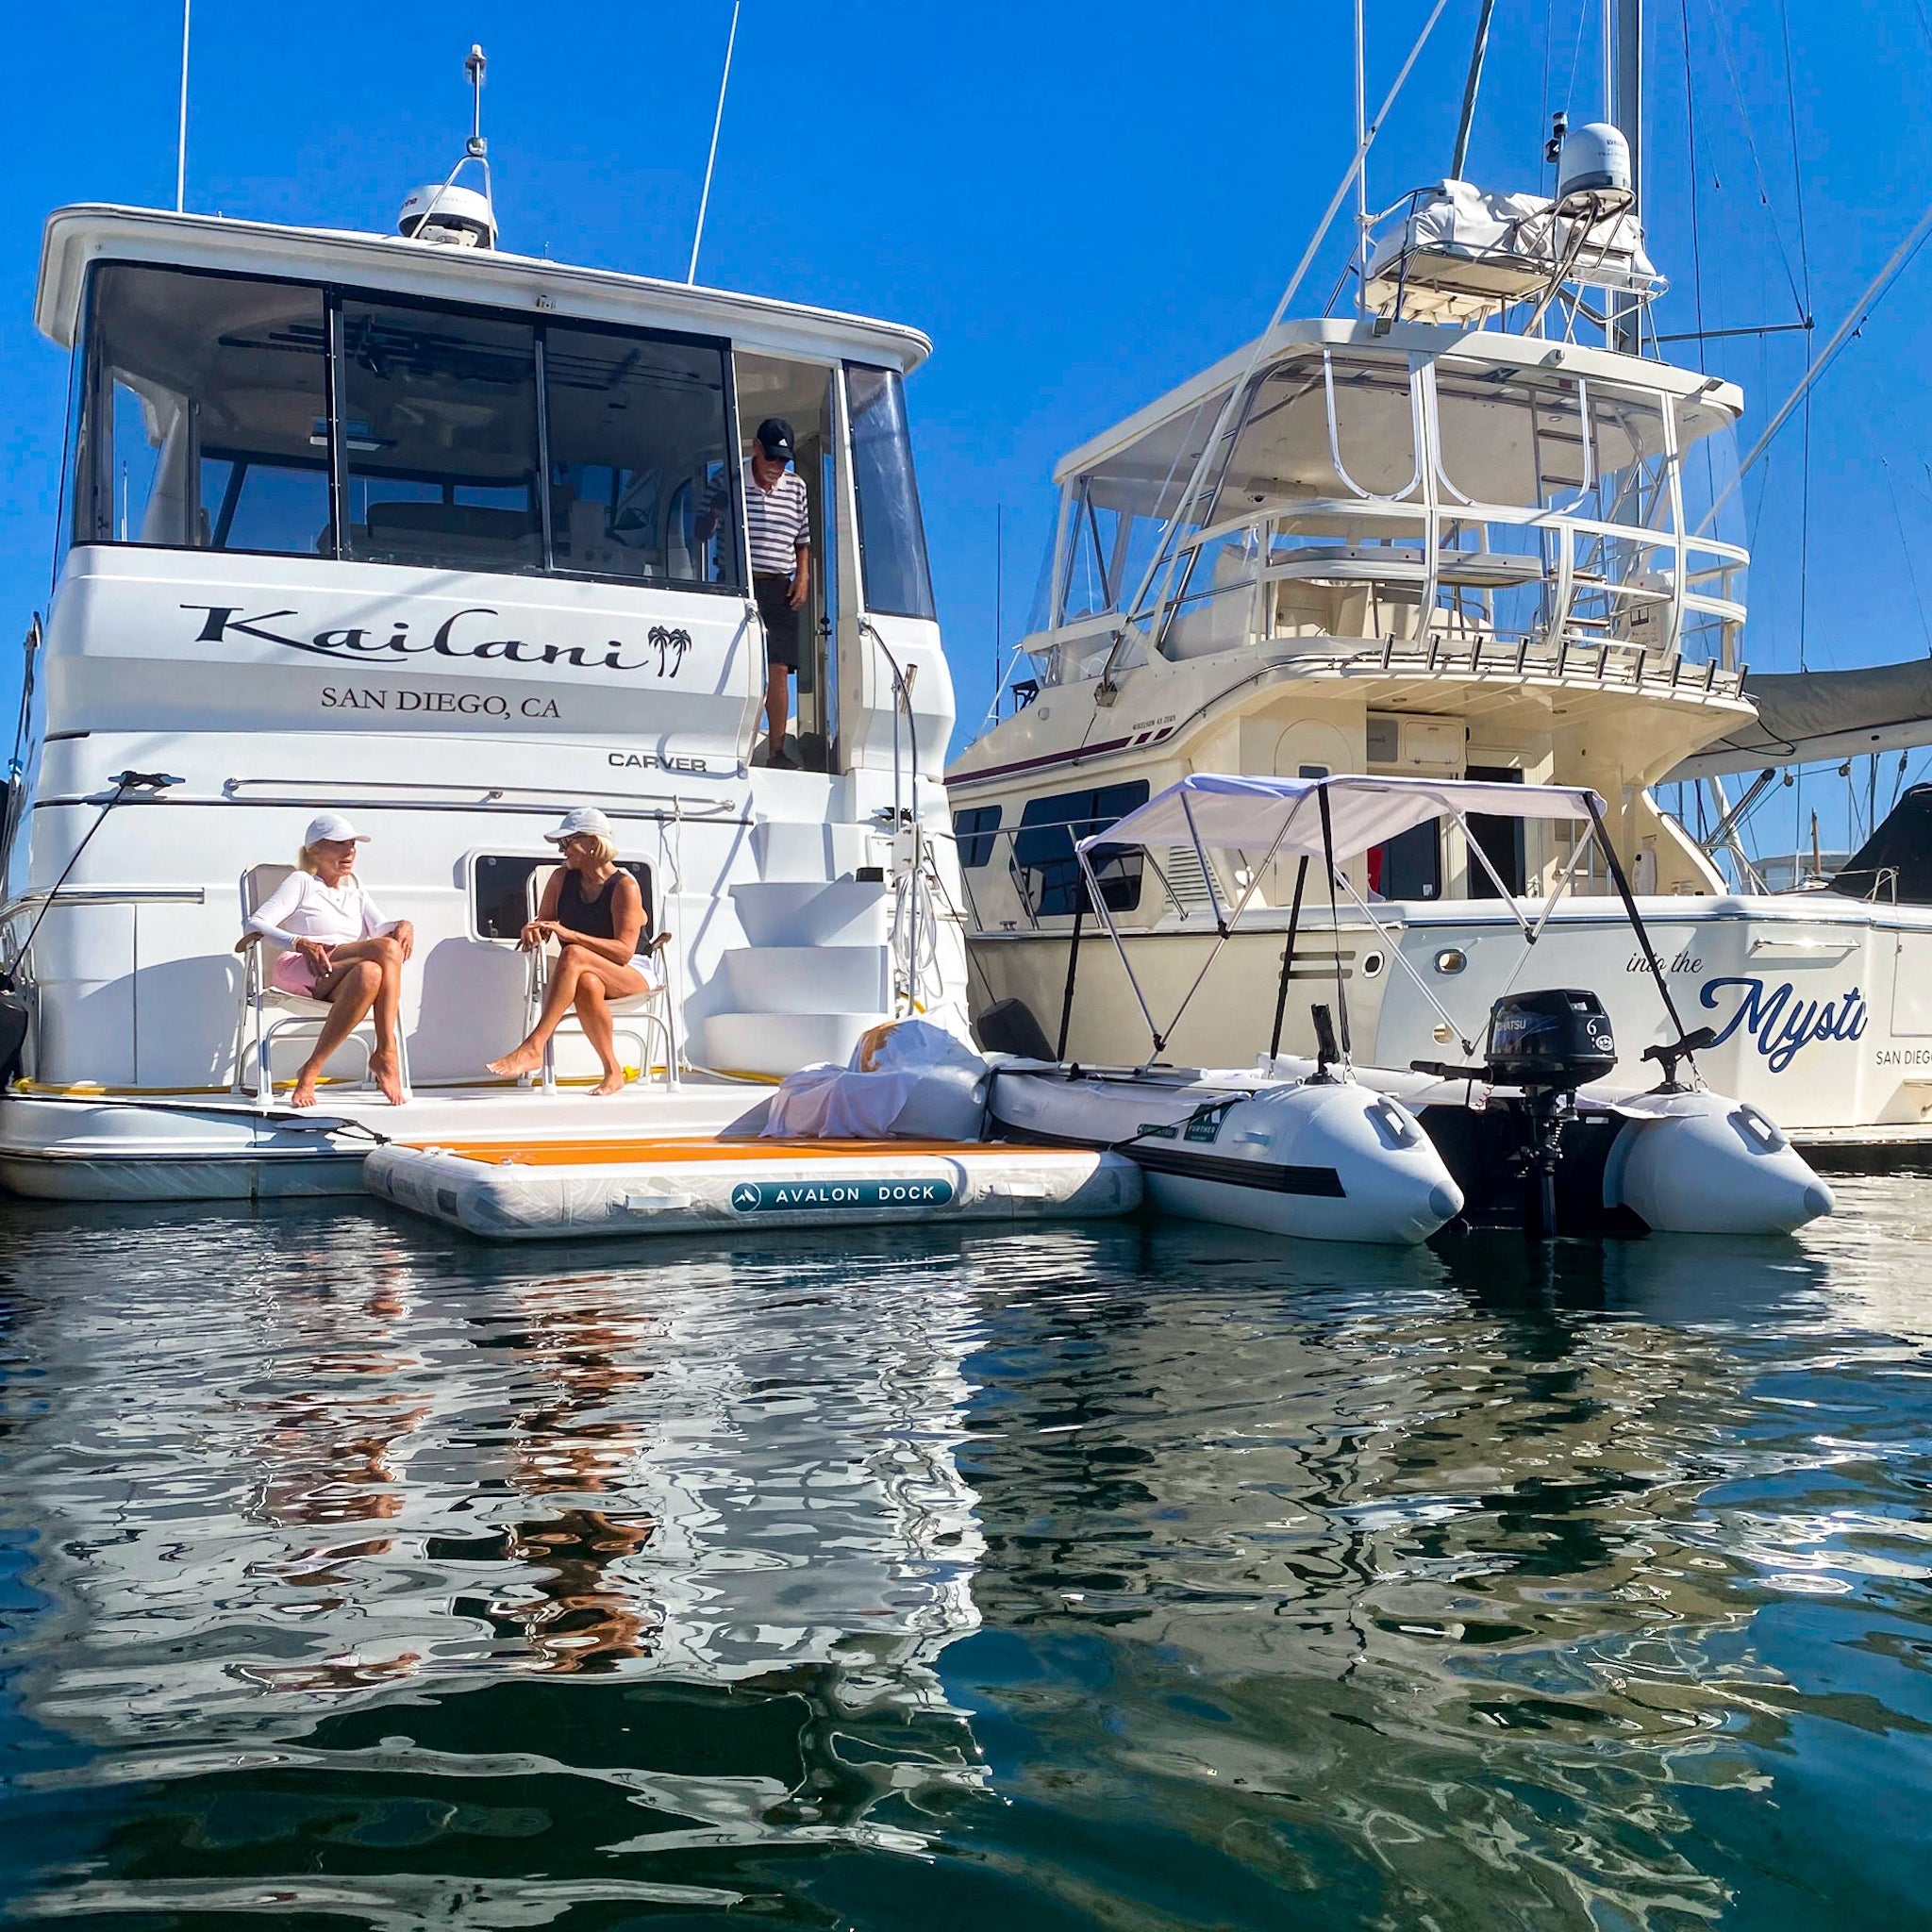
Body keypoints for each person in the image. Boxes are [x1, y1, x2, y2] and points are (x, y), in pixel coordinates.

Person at [485, 807, 674, 1096]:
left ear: (592, 844)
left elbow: (623, 952)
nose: (562, 851)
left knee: (573, 953)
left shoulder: (625, 887)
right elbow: (544, 920)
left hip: (632, 971)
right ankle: (613, 1072)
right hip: (587, 972)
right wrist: (534, 928)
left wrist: (570, 935)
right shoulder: (561, 879)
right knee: (585, 982)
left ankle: (534, 1046)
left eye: (566, 843)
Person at [244, 813, 414, 1108]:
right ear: (315, 851)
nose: (349, 852)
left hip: (334, 974)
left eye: (352, 846)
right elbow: (254, 925)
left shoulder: (356, 895)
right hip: (299, 968)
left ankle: (311, 1068)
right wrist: (299, 941)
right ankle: (387, 1052)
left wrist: (404, 924)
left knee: (371, 972)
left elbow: (384, 929)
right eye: (339, 845)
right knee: (387, 950)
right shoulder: (302, 882)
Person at [697, 416, 809, 768]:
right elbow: (699, 532)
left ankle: (776, 750)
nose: (777, 466)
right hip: (739, 583)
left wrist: (802, 576)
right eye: (772, 457)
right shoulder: (727, 480)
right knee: (740, 666)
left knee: (777, 669)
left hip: (779, 584)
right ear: (756, 448)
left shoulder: (797, 488)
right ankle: (727, 742)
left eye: (783, 460)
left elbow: (802, 540)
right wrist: (716, 512)